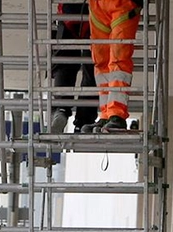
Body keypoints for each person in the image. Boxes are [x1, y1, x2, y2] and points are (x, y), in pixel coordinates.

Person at [85, 0, 143, 133]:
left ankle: (116, 114)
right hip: (98, 6)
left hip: (123, 4)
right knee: (101, 61)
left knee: (119, 58)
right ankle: (106, 114)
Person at [48, 3, 97, 134]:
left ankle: (61, 108)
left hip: (67, 14)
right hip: (96, 15)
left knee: (64, 65)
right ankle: (84, 122)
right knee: (93, 69)